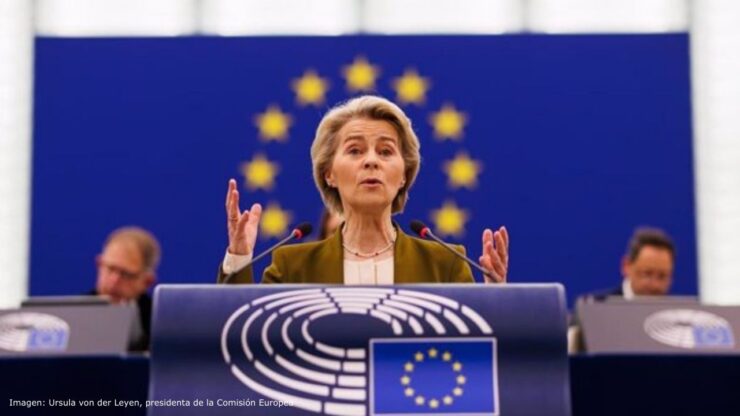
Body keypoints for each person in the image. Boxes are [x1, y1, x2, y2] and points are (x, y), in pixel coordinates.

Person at [219, 95, 508, 285]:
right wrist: (239, 257)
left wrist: (498, 301)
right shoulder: (293, 267)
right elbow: (241, 340)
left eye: (385, 151)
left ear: (404, 174)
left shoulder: (444, 264)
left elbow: (476, 350)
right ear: (329, 173)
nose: (371, 161)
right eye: (355, 150)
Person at [91, 226, 160, 350]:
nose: (114, 281)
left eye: (126, 275)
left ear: (147, 282)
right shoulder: (72, 316)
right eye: (110, 269)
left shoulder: (160, 326)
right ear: (99, 264)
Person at [587, 227, 675, 301]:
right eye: (647, 274)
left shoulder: (677, 313)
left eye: (662, 276)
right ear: (626, 266)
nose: (655, 285)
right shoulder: (594, 308)